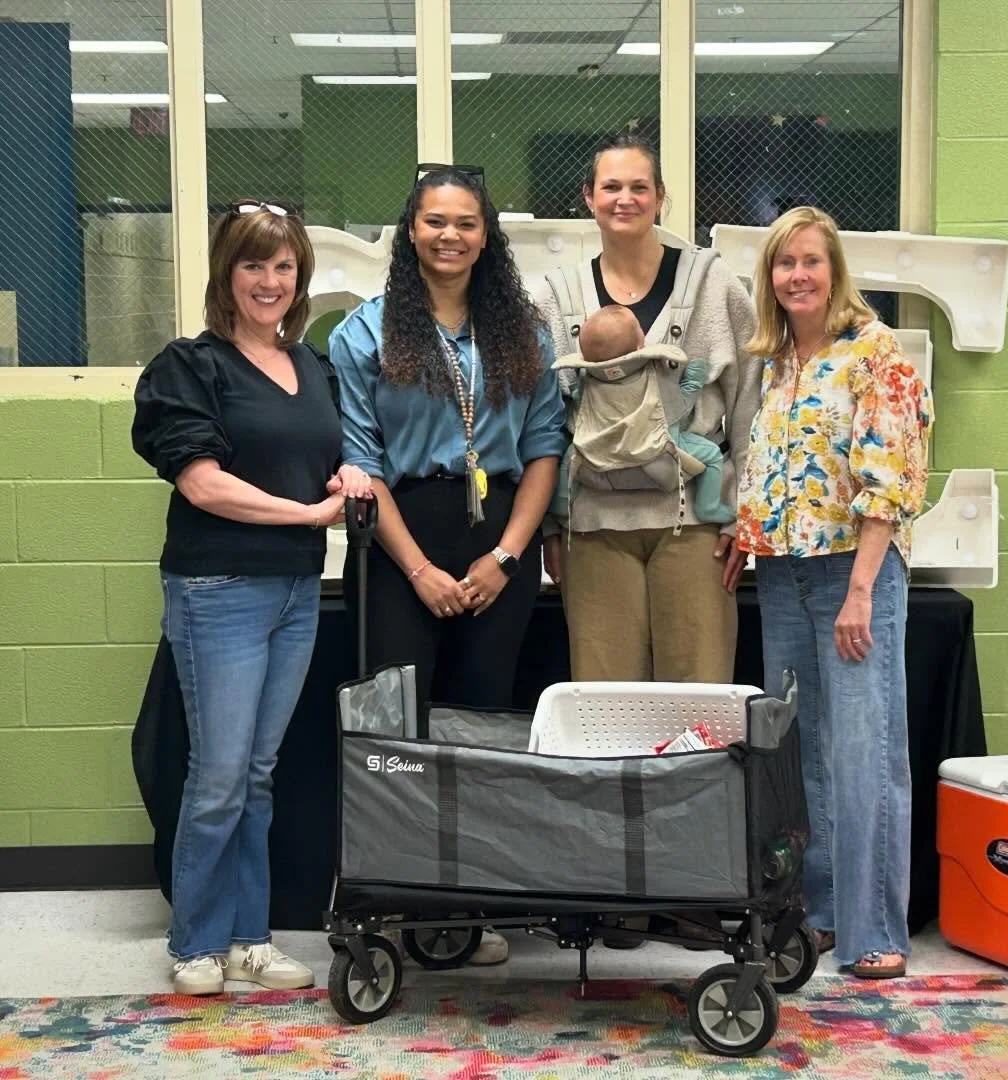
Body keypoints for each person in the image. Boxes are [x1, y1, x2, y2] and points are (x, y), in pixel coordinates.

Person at [131, 200, 374, 995]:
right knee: (219, 776)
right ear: (225, 275)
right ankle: (195, 944)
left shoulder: (312, 367)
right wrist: (306, 513)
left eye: (282, 266)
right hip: (219, 588)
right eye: (251, 265)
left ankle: (249, 940)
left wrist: (346, 477)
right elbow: (202, 483)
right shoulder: (190, 366)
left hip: (295, 589)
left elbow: (332, 454)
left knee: (258, 773)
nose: (268, 281)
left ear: (299, 277)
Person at [330, 165, 566, 966]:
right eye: (434, 221)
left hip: (501, 538)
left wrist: (506, 556)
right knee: (398, 726)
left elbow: (544, 453)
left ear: (485, 235)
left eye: (466, 222)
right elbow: (361, 460)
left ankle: (476, 907)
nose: (450, 236)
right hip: (403, 537)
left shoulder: (523, 334)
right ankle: (401, 901)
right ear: (411, 232)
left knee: (486, 719)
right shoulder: (362, 334)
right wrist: (421, 570)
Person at [736, 206, 933, 980]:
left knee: (864, 753)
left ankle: (875, 930)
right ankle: (816, 914)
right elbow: (776, 470)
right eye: (785, 264)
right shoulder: (778, 362)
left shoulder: (874, 353)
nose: (799, 276)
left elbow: (888, 480)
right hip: (783, 573)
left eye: (812, 262)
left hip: (855, 571)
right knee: (801, 754)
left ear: (834, 269)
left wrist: (860, 592)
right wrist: (744, 535)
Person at [533, 132, 757, 684]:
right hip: (593, 525)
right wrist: (549, 527)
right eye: (611, 187)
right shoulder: (555, 298)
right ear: (588, 197)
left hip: (693, 519)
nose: (624, 199)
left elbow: (752, 402)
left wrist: (746, 514)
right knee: (605, 699)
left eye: (639, 187)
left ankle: (696, 777)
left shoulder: (712, 284)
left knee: (698, 694)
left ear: (661, 197)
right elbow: (540, 423)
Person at [551, 304, 732, 526]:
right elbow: (678, 408)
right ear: (640, 345)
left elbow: (576, 412)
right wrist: (693, 381)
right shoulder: (655, 376)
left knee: (570, 454)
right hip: (657, 451)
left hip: (597, 456)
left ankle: (560, 503)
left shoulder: (587, 382)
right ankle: (708, 507)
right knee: (713, 455)